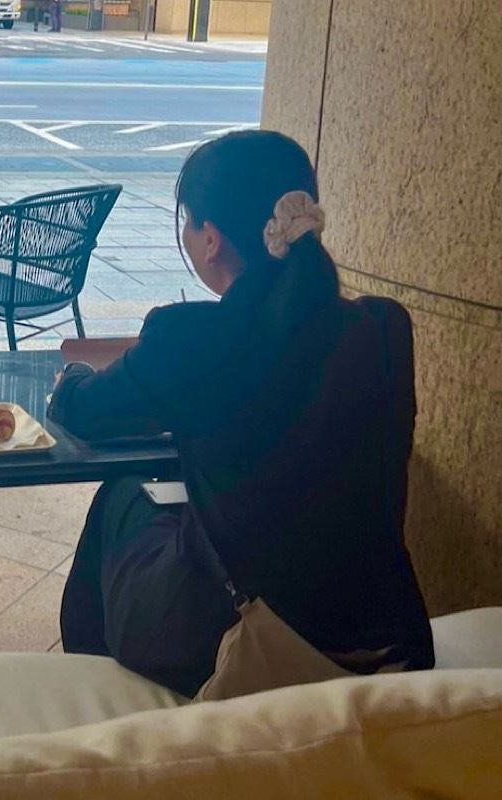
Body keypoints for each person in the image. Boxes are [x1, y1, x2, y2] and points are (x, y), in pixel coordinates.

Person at [49, 130, 435, 697]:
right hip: (385, 638)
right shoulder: (381, 328)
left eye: (188, 223)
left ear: (211, 240)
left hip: (244, 640)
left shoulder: (191, 337)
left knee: (123, 496)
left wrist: (73, 376)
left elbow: (82, 412)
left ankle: (92, 690)